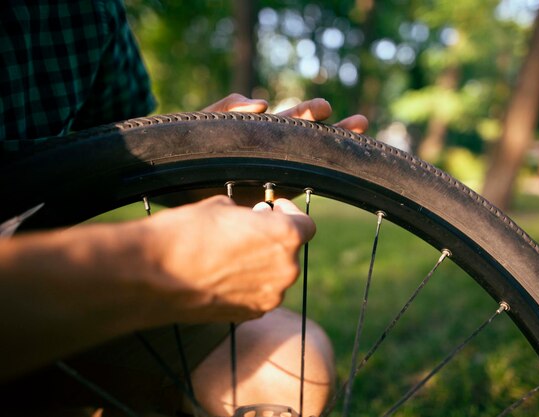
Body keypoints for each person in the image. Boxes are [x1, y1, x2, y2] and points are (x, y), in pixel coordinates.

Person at [0, 1, 368, 416]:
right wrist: (157, 264)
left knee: (287, 368)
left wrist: (209, 166)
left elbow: (118, 161)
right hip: (41, 294)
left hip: (69, 301)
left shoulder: (88, 12)